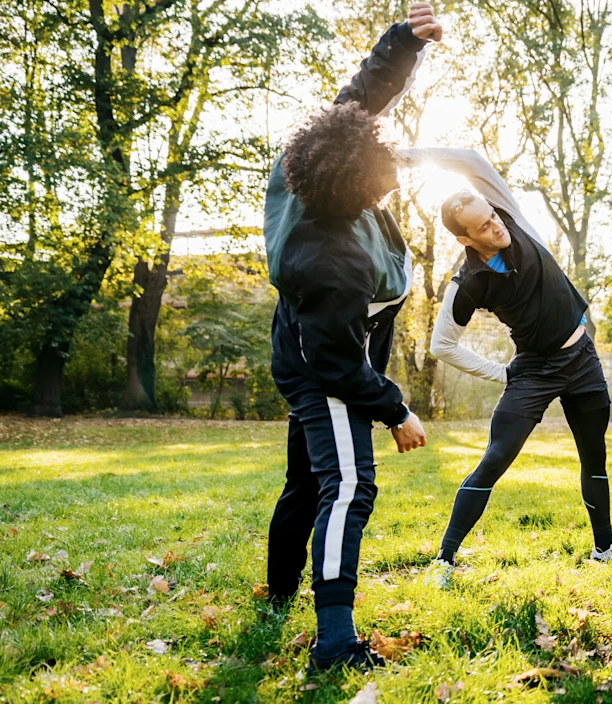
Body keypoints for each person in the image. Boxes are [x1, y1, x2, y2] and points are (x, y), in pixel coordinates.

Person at [262, 3, 440, 672]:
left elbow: (358, 100)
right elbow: (337, 361)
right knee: (347, 487)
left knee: (308, 481)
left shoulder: (307, 160)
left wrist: (402, 42)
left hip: (304, 347)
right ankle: (334, 642)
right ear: (355, 190)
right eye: (383, 171)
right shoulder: (333, 259)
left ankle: (279, 593)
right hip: (323, 368)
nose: (392, 169)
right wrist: (395, 409)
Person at [399, 146, 612, 589]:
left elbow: (472, 162)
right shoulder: (468, 282)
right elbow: (442, 344)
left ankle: (605, 549)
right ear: (464, 239)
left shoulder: (509, 215)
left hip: (583, 361)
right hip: (533, 371)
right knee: (495, 459)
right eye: (483, 227)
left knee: (595, 457)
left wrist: (411, 155)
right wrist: (501, 373)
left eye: (492, 215)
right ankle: (445, 559)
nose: (495, 226)